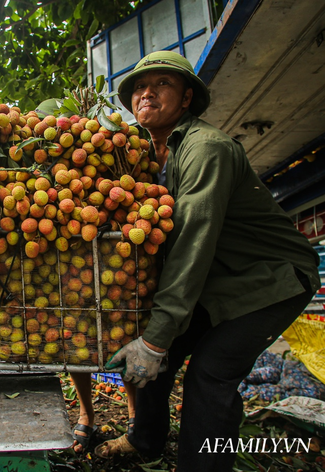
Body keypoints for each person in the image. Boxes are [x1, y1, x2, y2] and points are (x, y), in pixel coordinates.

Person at [92, 51, 321, 471]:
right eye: (140, 87)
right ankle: (146, 440)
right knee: (153, 364)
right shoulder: (146, 158)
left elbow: (192, 241)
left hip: (272, 279)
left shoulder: (206, 148)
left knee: (210, 375)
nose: (147, 93)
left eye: (161, 84)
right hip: (220, 279)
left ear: (185, 99)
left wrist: (157, 338)